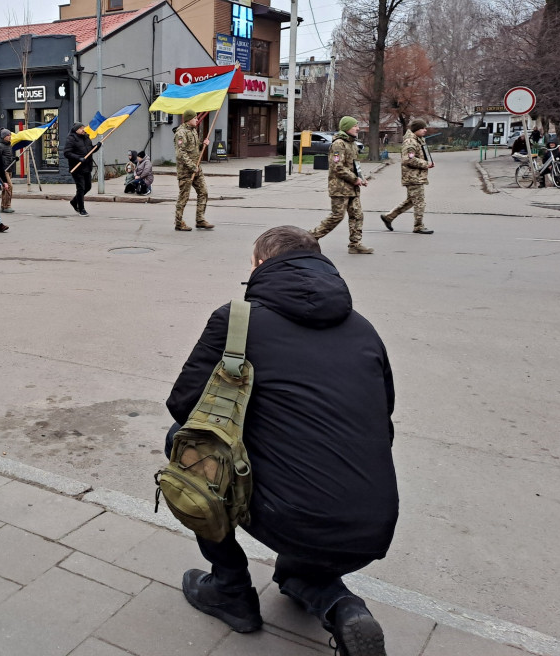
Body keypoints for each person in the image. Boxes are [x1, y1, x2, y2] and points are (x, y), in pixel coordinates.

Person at [167, 225, 397, 656]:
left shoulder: (236, 320)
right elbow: (382, 420)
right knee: (310, 527)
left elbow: (183, 407)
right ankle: (340, 604)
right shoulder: (363, 328)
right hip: (372, 525)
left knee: (186, 450)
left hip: (290, 513)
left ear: (258, 265)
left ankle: (230, 589)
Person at [310, 116, 372, 254]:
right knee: (337, 216)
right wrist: (354, 179)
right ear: (347, 127)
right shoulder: (339, 144)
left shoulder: (352, 144)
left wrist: (361, 178)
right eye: (355, 126)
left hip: (352, 187)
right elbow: (337, 167)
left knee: (357, 215)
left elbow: (355, 165)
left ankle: (355, 244)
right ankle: (309, 238)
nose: (358, 128)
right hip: (340, 188)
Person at [381, 121, 433, 235]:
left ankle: (389, 217)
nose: (425, 130)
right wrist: (425, 164)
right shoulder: (410, 142)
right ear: (416, 129)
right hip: (413, 177)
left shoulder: (417, 140)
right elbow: (408, 159)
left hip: (416, 176)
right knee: (420, 202)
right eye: (422, 128)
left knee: (411, 201)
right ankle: (418, 226)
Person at [174, 110, 212, 231]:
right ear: (188, 119)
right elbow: (181, 153)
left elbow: (195, 149)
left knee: (203, 192)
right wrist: (192, 167)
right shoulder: (181, 133)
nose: (197, 120)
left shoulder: (193, 131)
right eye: (195, 118)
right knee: (184, 197)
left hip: (197, 169)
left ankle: (200, 219)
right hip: (186, 171)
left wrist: (203, 145)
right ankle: (179, 222)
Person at [63, 122, 94, 216]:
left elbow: (90, 150)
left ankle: (74, 201)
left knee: (88, 186)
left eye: (83, 128)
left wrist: (97, 147)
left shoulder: (86, 138)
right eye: (81, 128)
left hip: (87, 166)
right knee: (81, 188)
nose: (83, 129)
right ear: (76, 130)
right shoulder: (71, 139)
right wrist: (78, 158)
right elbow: (67, 153)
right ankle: (82, 209)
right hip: (76, 168)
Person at [0, 129, 16, 213]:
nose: (10, 137)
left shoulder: (9, 145)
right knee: (9, 186)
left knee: (5, 188)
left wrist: (15, 159)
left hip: (9, 168)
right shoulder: (0, 146)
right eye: (8, 135)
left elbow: (9, 157)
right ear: (4, 136)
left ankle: (3, 206)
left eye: (10, 135)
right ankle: (7, 206)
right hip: (4, 170)